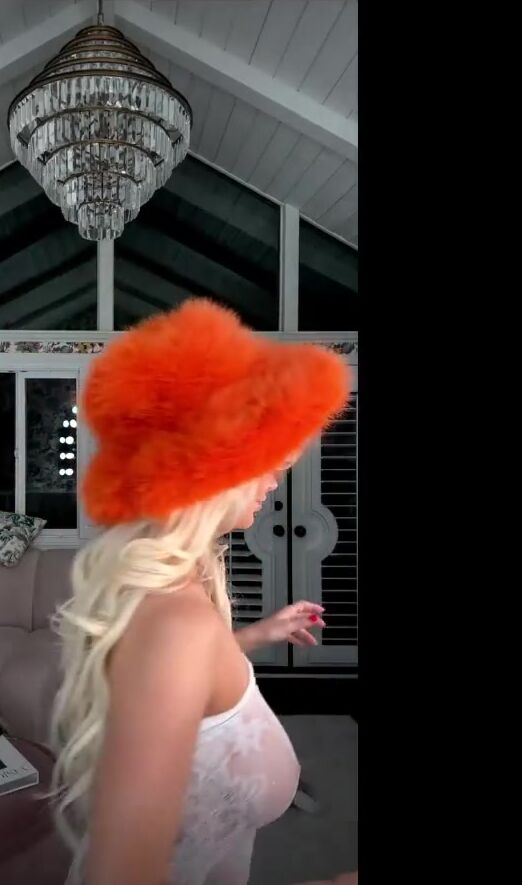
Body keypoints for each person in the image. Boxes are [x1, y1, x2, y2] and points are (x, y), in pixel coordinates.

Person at [48, 298, 358, 885]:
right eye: (268, 463)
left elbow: (177, 683)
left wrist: (256, 635)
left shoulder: (186, 583)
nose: (275, 483)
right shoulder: (175, 623)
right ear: (213, 468)